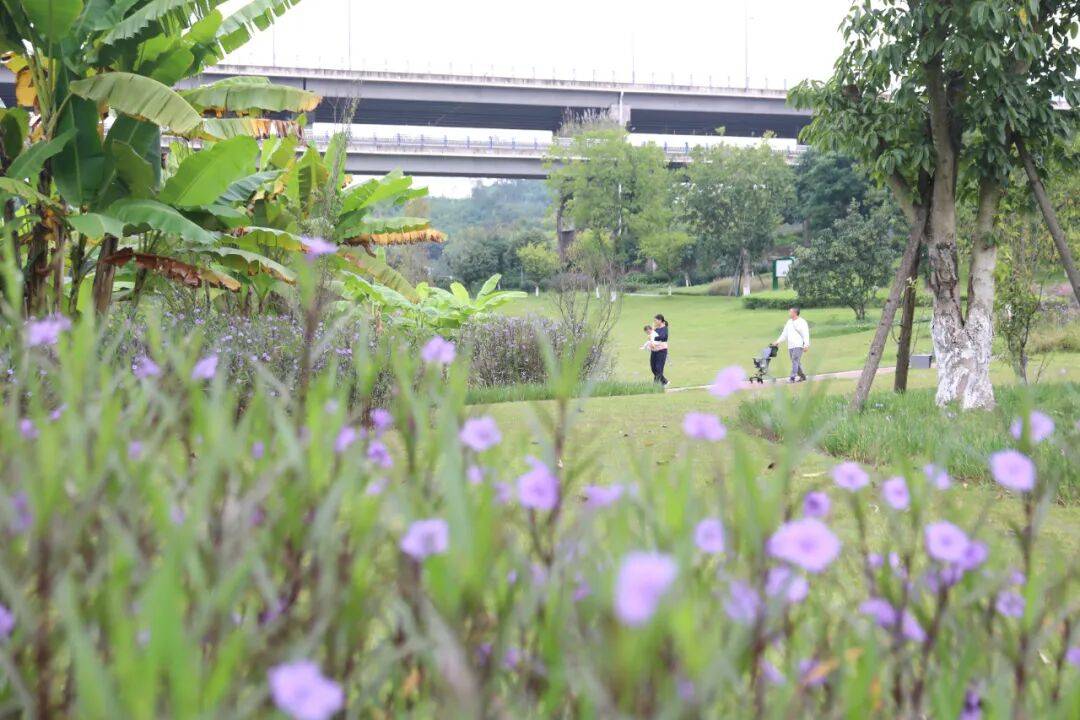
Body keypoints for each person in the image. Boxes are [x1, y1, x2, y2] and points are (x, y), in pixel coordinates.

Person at [771, 307, 810, 382]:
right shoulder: (789, 322)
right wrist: (777, 342)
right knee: (796, 361)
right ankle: (802, 376)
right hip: (790, 345)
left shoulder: (802, 322)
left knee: (795, 360)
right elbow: (784, 334)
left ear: (795, 313)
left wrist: (806, 345)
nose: (789, 313)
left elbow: (805, 334)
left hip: (798, 345)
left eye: (790, 312)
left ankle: (792, 378)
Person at [650, 314, 669, 386]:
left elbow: (663, 337)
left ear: (660, 320)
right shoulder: (656, 329)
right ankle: (665, 382)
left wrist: (654, 337)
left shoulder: (664, 328)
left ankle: (656, 385)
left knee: (659, 368)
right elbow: (651, 337)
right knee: (653, 368)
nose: (654, 322)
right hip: (654, 351)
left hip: (661, 351)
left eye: (655, 320)